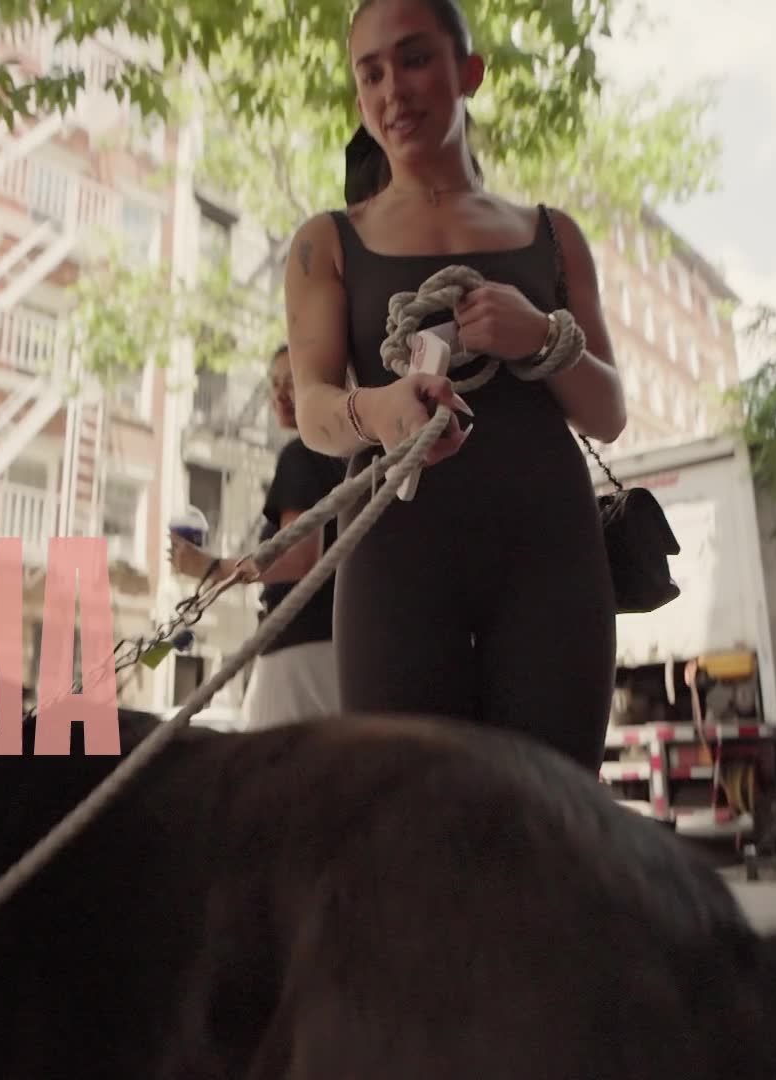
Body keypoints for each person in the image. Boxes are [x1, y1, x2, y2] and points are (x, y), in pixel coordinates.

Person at [280, 0, 626, 771]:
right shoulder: (326, 242)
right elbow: (314, 411)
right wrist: (379, 410)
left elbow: (608, 414)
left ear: (469, 71)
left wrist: (539, 335)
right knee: (404, 814)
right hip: (394, 562)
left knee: (551, 813)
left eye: (414, 60)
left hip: (550, 560)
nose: (393, 91)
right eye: (371, 74)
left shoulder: (554, 236)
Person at [170, 346, 345, 728]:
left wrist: (210, 567)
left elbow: (299, 557)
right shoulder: (342, 459)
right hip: (336, 647)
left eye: (292, 382)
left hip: (297, 651)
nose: (280, 394)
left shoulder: (301, 455)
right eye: (274, 384)